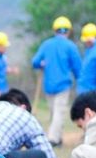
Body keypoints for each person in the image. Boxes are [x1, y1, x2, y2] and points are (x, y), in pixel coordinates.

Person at [31, 16, 82, 146]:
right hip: (63, 85)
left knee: (55, 112)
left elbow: (35, 62)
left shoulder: (46, 44)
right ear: (68, 31)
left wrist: (41, 64)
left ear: (55, 31)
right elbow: (77, 67)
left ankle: (58, 139)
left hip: (48, 85)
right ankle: (53, 139)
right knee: (59, 113)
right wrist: (79, 81)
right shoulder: (71, 46)